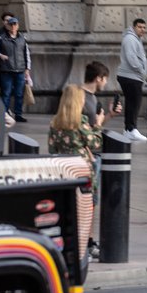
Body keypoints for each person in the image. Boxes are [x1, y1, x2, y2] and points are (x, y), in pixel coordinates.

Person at [48, 85, 102, 260]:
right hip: (83, 172)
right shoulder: (81, 121)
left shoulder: (55, 123)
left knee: (66, 209)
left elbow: (52, 149)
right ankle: (84, 246)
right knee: (86, 209)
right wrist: (99, 125)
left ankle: (66, 245)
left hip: (64, 171)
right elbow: (95, 143)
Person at [0, 15, 31, 122]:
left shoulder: (22, 39)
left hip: (20, 70)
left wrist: (27, 69)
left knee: (19, 94)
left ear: (18, 26)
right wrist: (0, 55)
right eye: (11, 24)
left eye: (15, 24)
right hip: (6, 70)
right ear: (8, 26)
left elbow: (27, 54)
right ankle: (4, 115)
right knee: (6, 93)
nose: (13, 26)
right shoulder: (2, 38)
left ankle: (18, 114)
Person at [117, 18, 147, 141]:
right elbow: (132, 58)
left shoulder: (135, 39)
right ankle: (131, 129)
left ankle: (129, 129)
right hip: (130, 76)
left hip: (133, 76)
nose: (142, 30)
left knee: (133, 103)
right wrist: (141, 71)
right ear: (134, 27)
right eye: (140, 27)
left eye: (144, 27)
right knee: (134, 103)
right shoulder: (130, 39)